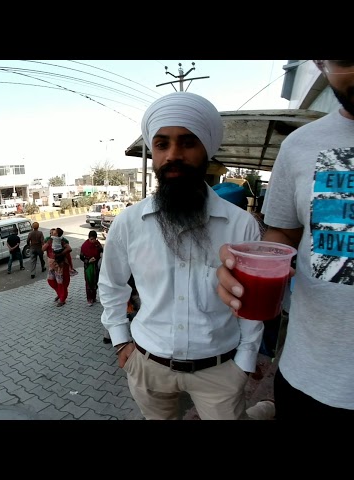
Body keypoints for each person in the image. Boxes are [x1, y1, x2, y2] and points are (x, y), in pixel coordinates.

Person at [99, 91, 264, 420]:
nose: (173, 155)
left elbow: (251, 303)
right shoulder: (129, 223)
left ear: (206, 150)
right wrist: (121, 342)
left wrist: (245, 360)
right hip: (147, 365)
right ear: (154, 151)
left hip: (219, 370)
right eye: (162, 144)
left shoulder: (241, 226)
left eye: (187, 143)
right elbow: (112, 284)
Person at [216, 60, 354, 420]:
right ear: (320, 64)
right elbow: (284, 235)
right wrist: (247, 268)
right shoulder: (300, 147)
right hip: (312, 381)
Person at [43, 227, 73, 306]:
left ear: (56, 234)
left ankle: (62, 299)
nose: (51, 234)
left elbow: (69, 249)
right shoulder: (49, 241)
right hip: (52, 265)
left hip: (60, 265)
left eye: (52, 233)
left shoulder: (61, 241)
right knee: (51, 281)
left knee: (61, 282)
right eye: (50, 233)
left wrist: (60, 254)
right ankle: (60, 294)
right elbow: (43, 249)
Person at [79, 230, 103, 306]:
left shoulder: (97, 244)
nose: (93, 241)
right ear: (89, 238)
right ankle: (89, 299)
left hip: (96, 265)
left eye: (94, 239)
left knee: (95, 282)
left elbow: (101, 251)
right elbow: (81, 257)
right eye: (91, 239)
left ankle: (94, 297)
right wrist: (88, 260)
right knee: (89, 282)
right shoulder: (84, 245)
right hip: (88, 266)